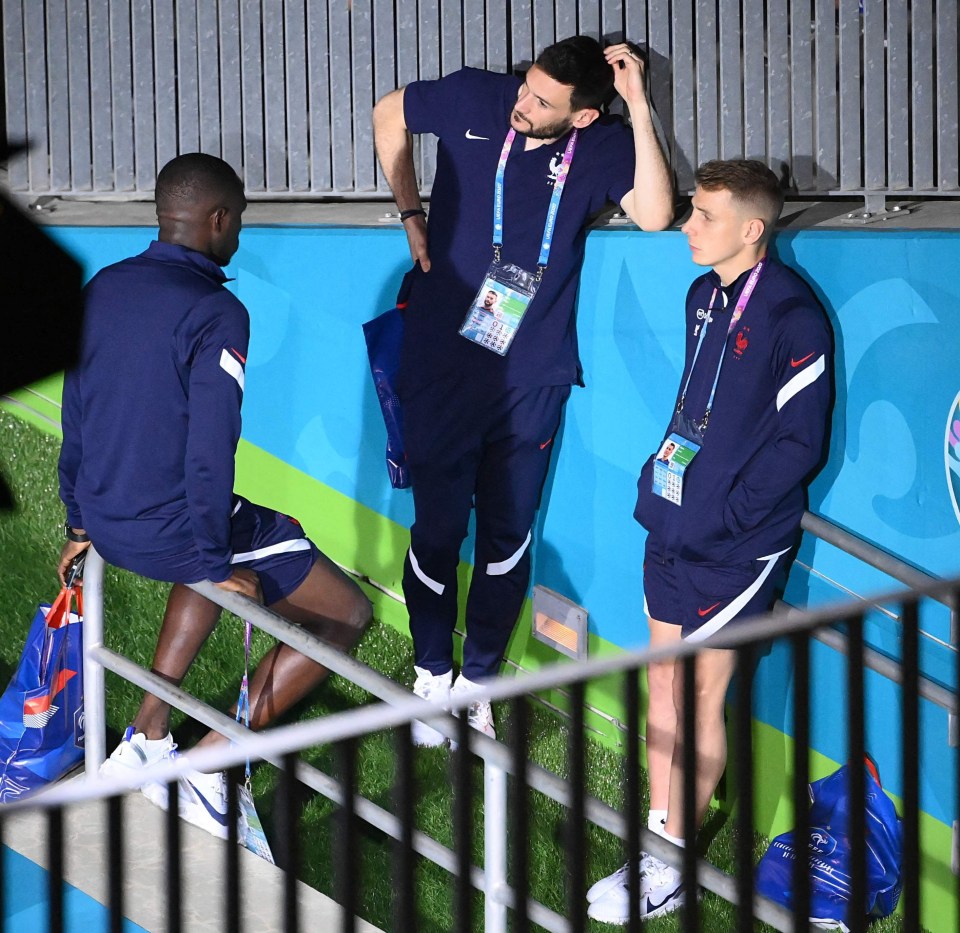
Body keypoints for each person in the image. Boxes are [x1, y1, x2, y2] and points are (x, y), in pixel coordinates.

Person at [57, 153, 372, 839]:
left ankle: (145, 735)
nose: (238, 239)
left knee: (225, 530)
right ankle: (208, 766)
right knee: (346, 613)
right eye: (240, 224)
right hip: (173, 530)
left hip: (105, 521)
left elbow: (74, 411)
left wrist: (78, 521)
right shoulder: (217, 310)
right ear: (218, 219)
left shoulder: (103, 288)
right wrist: (207, 557)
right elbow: (210, 449)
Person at [372, 36, 673, 744]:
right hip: (443, 366)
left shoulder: (602, 149)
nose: (523, 104)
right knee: (438, 531)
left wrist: (637, 103)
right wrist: (412, 213)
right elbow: (389, 112)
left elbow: (657, 213)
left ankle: (477, 682)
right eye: (527, 88)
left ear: (583, 117)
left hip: (530, 376)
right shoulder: (478, 95)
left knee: (507, 537)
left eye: (543, 101)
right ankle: (430, 673)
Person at [587, 159, 832, 923]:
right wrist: (657, 476)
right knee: (663, 683)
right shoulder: (703, 296)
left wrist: (727, 512)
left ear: (751, 229)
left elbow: (802, 443)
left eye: (704, 215)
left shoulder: (794, 315)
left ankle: (671, 864)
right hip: (671, 521)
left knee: (699, 693)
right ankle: (662, 831)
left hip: (737, 543)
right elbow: (692, 404)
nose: (688, 226)